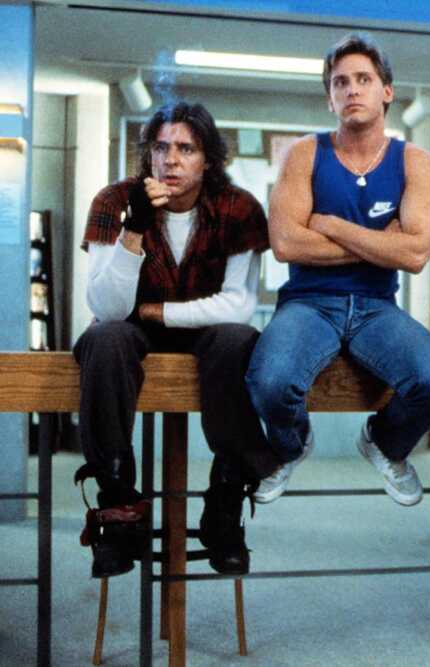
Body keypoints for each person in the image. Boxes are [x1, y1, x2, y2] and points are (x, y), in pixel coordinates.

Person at [246, 33, 430, 507]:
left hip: (376, 307)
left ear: (387, 91)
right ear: (330, 98)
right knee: (270, 383)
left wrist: (330, 225)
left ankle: (384, 443)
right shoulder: (305, 153)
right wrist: (381, 242)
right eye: (340, 82)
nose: (352, 90)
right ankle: (291, 446)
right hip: (308, 304)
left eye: (364, 79)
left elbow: (415, 255)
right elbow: (285, 244)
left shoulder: (413, 161)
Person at [74, 102, 276, 578]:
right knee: (104, 339)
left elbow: (237, 304)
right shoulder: (114, 201)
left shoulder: (238, 207)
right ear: (148, 154)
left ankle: (224, 503)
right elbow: (107, 307)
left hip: (205, 329)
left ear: (208, 160)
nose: (171, 160)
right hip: (129, 327)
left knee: (239, 339)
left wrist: (160, 311)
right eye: (161, 147)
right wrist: (134, 229)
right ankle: (118, 506)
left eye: (187, 149)